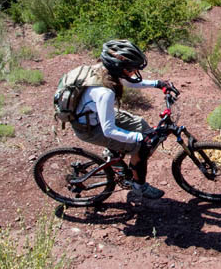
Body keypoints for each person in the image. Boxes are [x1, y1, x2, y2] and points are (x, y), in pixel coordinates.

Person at [70, 39, 177, 200]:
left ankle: (114, 154)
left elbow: (129, 82)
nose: (135, 72)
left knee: (140, 124)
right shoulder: (105, 93)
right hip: (90, 129)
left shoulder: (104, 71)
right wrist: (138, 138)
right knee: (140, 147)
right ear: (119, 68)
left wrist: (158, 83)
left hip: (94, 115)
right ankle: (139, 187)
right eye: (132, 69)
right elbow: (109, 130)